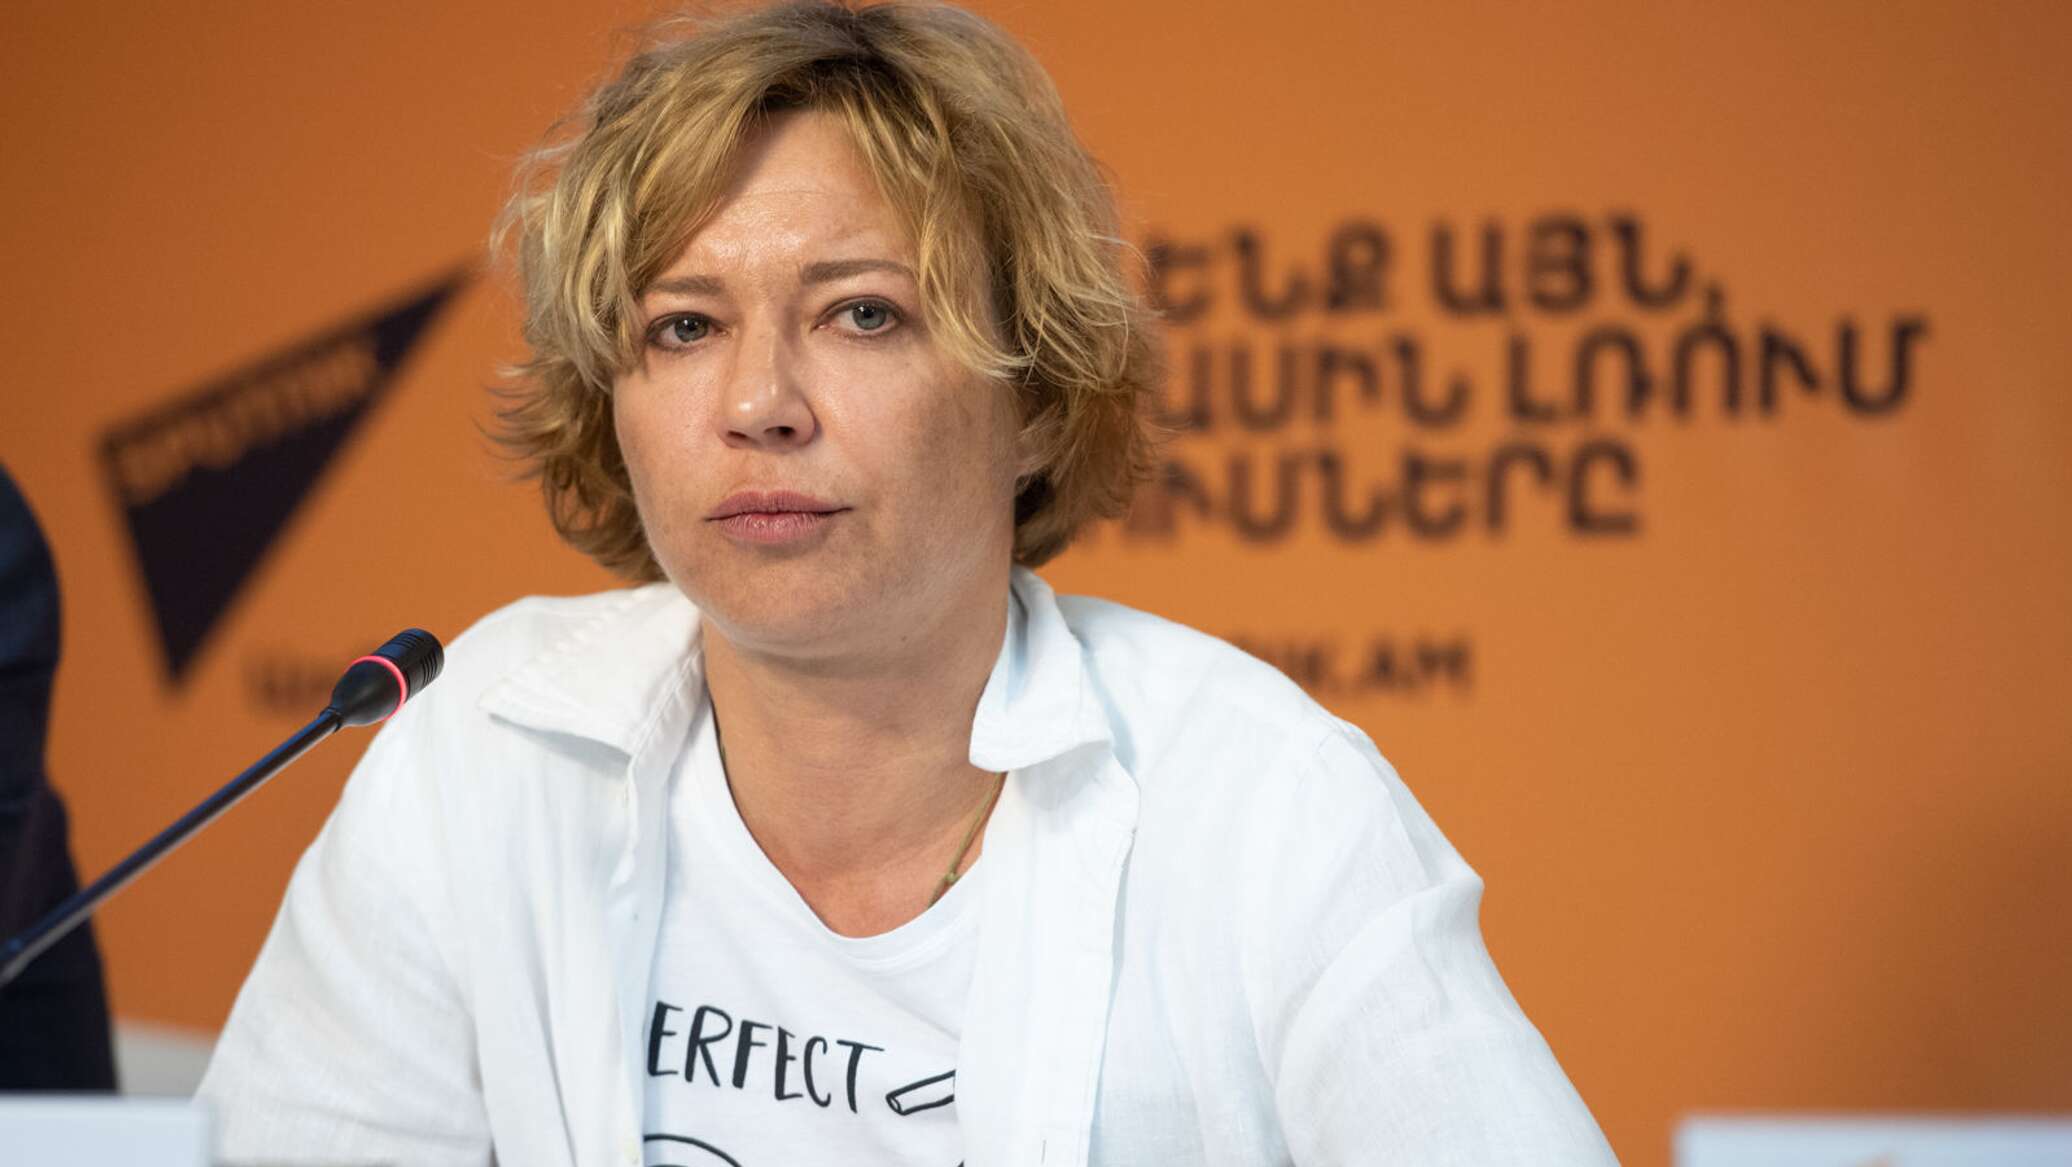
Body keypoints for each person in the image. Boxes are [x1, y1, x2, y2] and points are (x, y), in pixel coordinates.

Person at [198, 2, 1617, 1164]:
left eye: (861, 314)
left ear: (1036, 399)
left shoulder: (1267, 807)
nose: (758, 403)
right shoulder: (481, 742)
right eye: (684, 326)